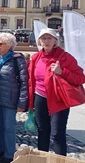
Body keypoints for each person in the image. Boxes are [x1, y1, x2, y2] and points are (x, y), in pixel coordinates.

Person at [28, 28, 85, 156]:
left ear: (55, 41)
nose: (46, 41)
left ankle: (60, 160)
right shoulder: (36, 57)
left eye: (49, 38)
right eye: (44, 38)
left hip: (59, 99)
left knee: (57, 134)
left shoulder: (65, 57)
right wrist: (29, 101)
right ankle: (42, 158)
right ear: (39, 42)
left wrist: (62, 72)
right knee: (42, 131)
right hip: (40, 98)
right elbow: (31, 80)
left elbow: (80, 78)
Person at [0, 32, 28, 163]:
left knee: (9, 127)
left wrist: (22, 102)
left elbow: (24, 82)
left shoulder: (17, 59)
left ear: (9, 45)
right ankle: (2, 149)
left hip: (10, 99)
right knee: (0, 125)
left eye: (0, 43)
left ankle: (10, 154)